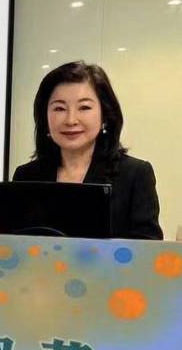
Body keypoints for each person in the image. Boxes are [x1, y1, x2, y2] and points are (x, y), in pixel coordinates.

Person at [12, 61, 163, 240]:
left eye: (84, 107)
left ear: (105, 115)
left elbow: (148, 251)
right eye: (59, 108)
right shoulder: (26, 176)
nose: (71, 120)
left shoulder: (135, 175)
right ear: (45, 117)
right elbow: (14, 246)